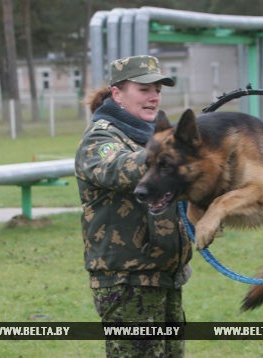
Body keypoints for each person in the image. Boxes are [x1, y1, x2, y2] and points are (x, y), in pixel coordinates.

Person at [75, 55, 192, 357]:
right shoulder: (101, 137)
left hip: (165, 277)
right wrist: (171, 152)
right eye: (144, 89)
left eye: (157, 89)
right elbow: (119, 168)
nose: (154, 97)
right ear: (117, 94)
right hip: (127, 283)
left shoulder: (151, 138)